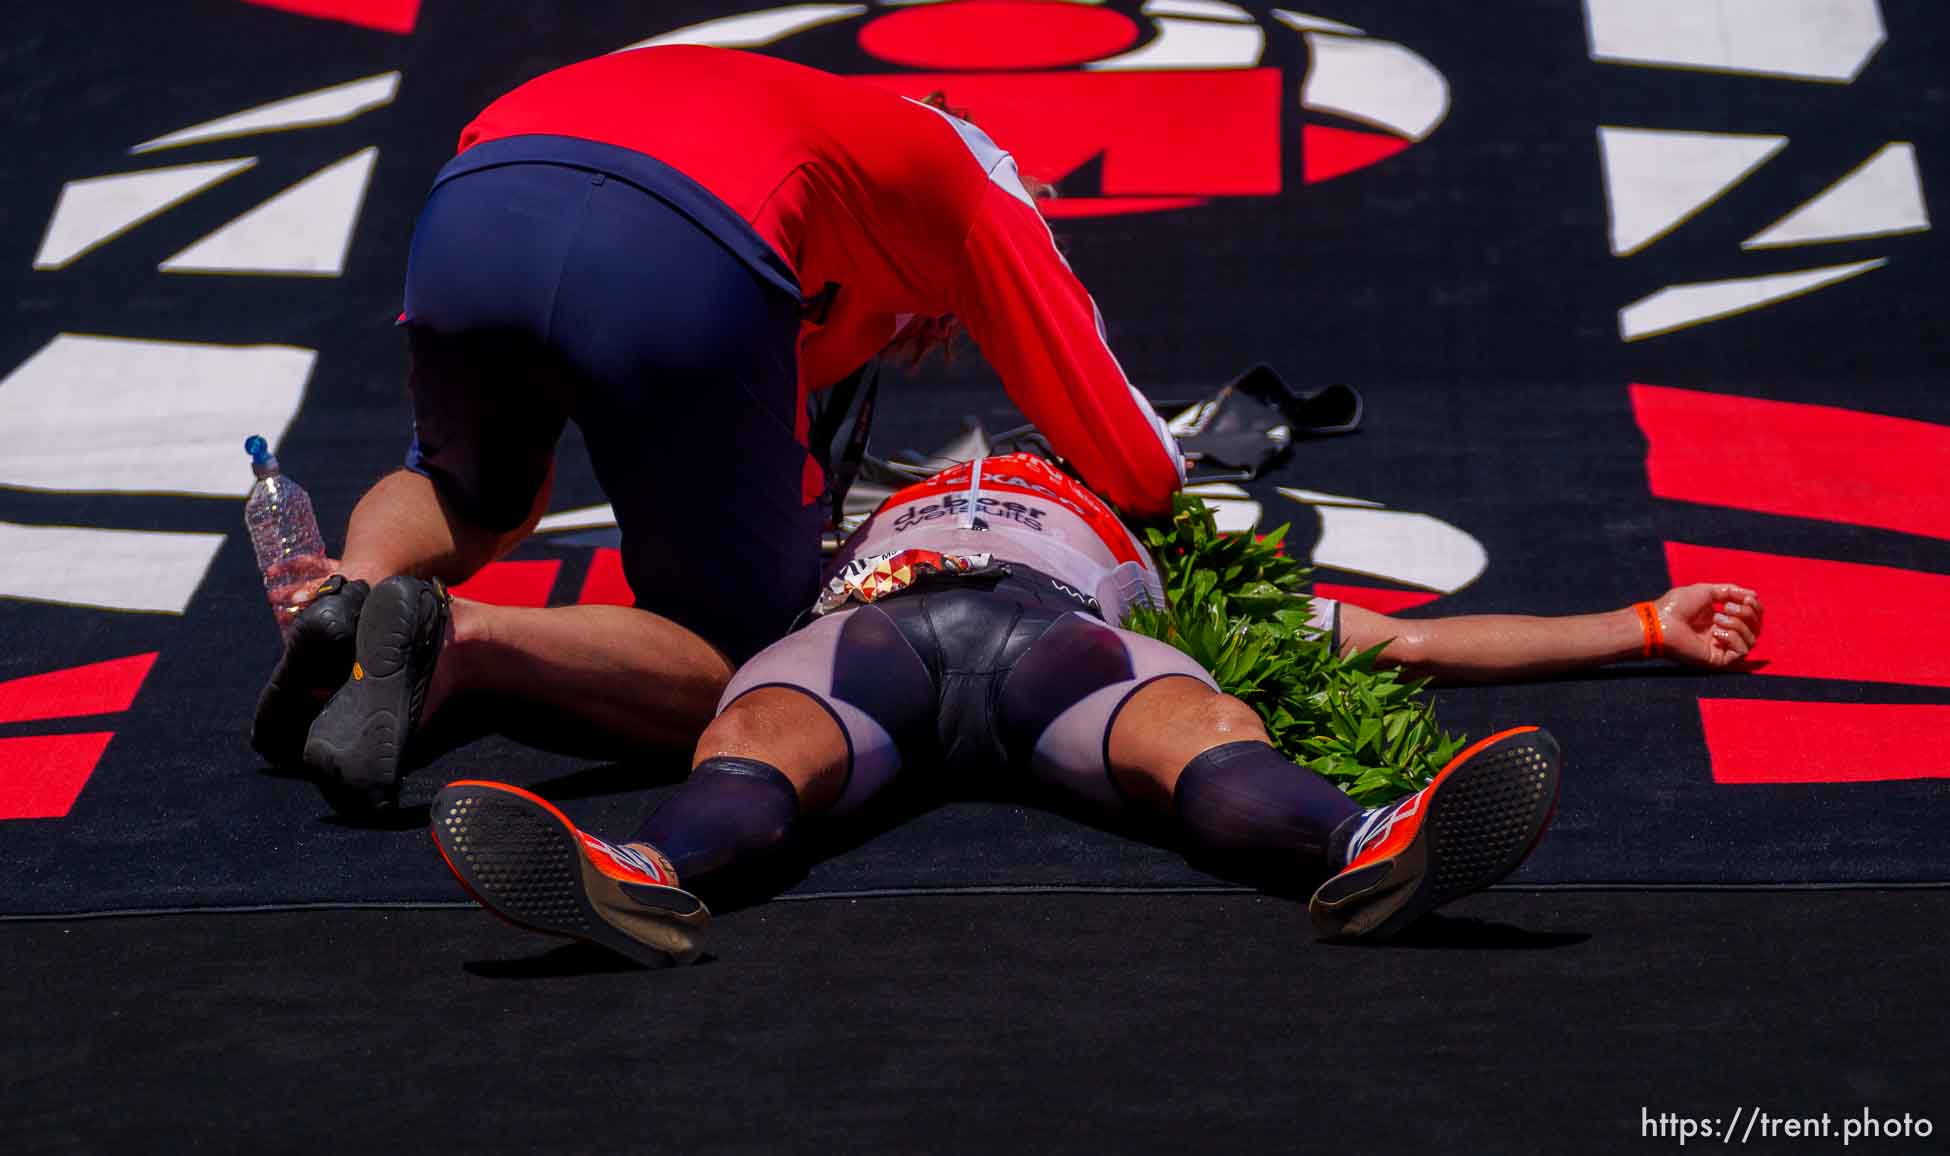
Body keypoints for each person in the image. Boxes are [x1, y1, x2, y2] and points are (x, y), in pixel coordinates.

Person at [250, 45, 1185, 813]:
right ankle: (458, 636)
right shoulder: (971, 172)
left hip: (484, 186)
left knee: (468, 491)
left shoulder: (800, 114)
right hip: (681, 238)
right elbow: (1139, 464)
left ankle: (350, 589)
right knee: (745, 659)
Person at [425, 452, 1765, 963]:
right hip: (869, 634)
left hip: (1048, 644)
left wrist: (1639, 623)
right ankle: (638, 871)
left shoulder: (1157, 549)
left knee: (1199, 727)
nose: (1021, 449)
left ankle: (1366, 842)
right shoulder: (836, 519)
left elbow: (1403, 642)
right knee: (754, 734)